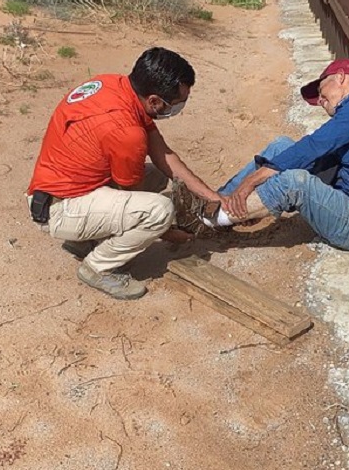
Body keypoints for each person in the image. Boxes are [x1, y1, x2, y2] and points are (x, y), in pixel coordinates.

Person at [27, 47, 219, 300]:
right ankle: (98, 268)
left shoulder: (112, 85)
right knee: (158, 211)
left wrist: (211, 195)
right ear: (154, 101)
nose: (179, 107)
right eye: (176, 103)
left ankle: (83, 241)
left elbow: (162, 154)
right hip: (59, 210)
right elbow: (132, 192)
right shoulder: (126, 132)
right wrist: (169, 232)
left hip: (55, 192)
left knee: (157, 175)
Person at [174, 58, 349, 251]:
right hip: (342, 204)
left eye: (321, 91)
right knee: (282, 146)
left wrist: (252, 182)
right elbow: (314, 155)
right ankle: (215, 202)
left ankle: (208, 220)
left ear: (341, 77)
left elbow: (316, 145)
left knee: (295, 181)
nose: (321, 102)